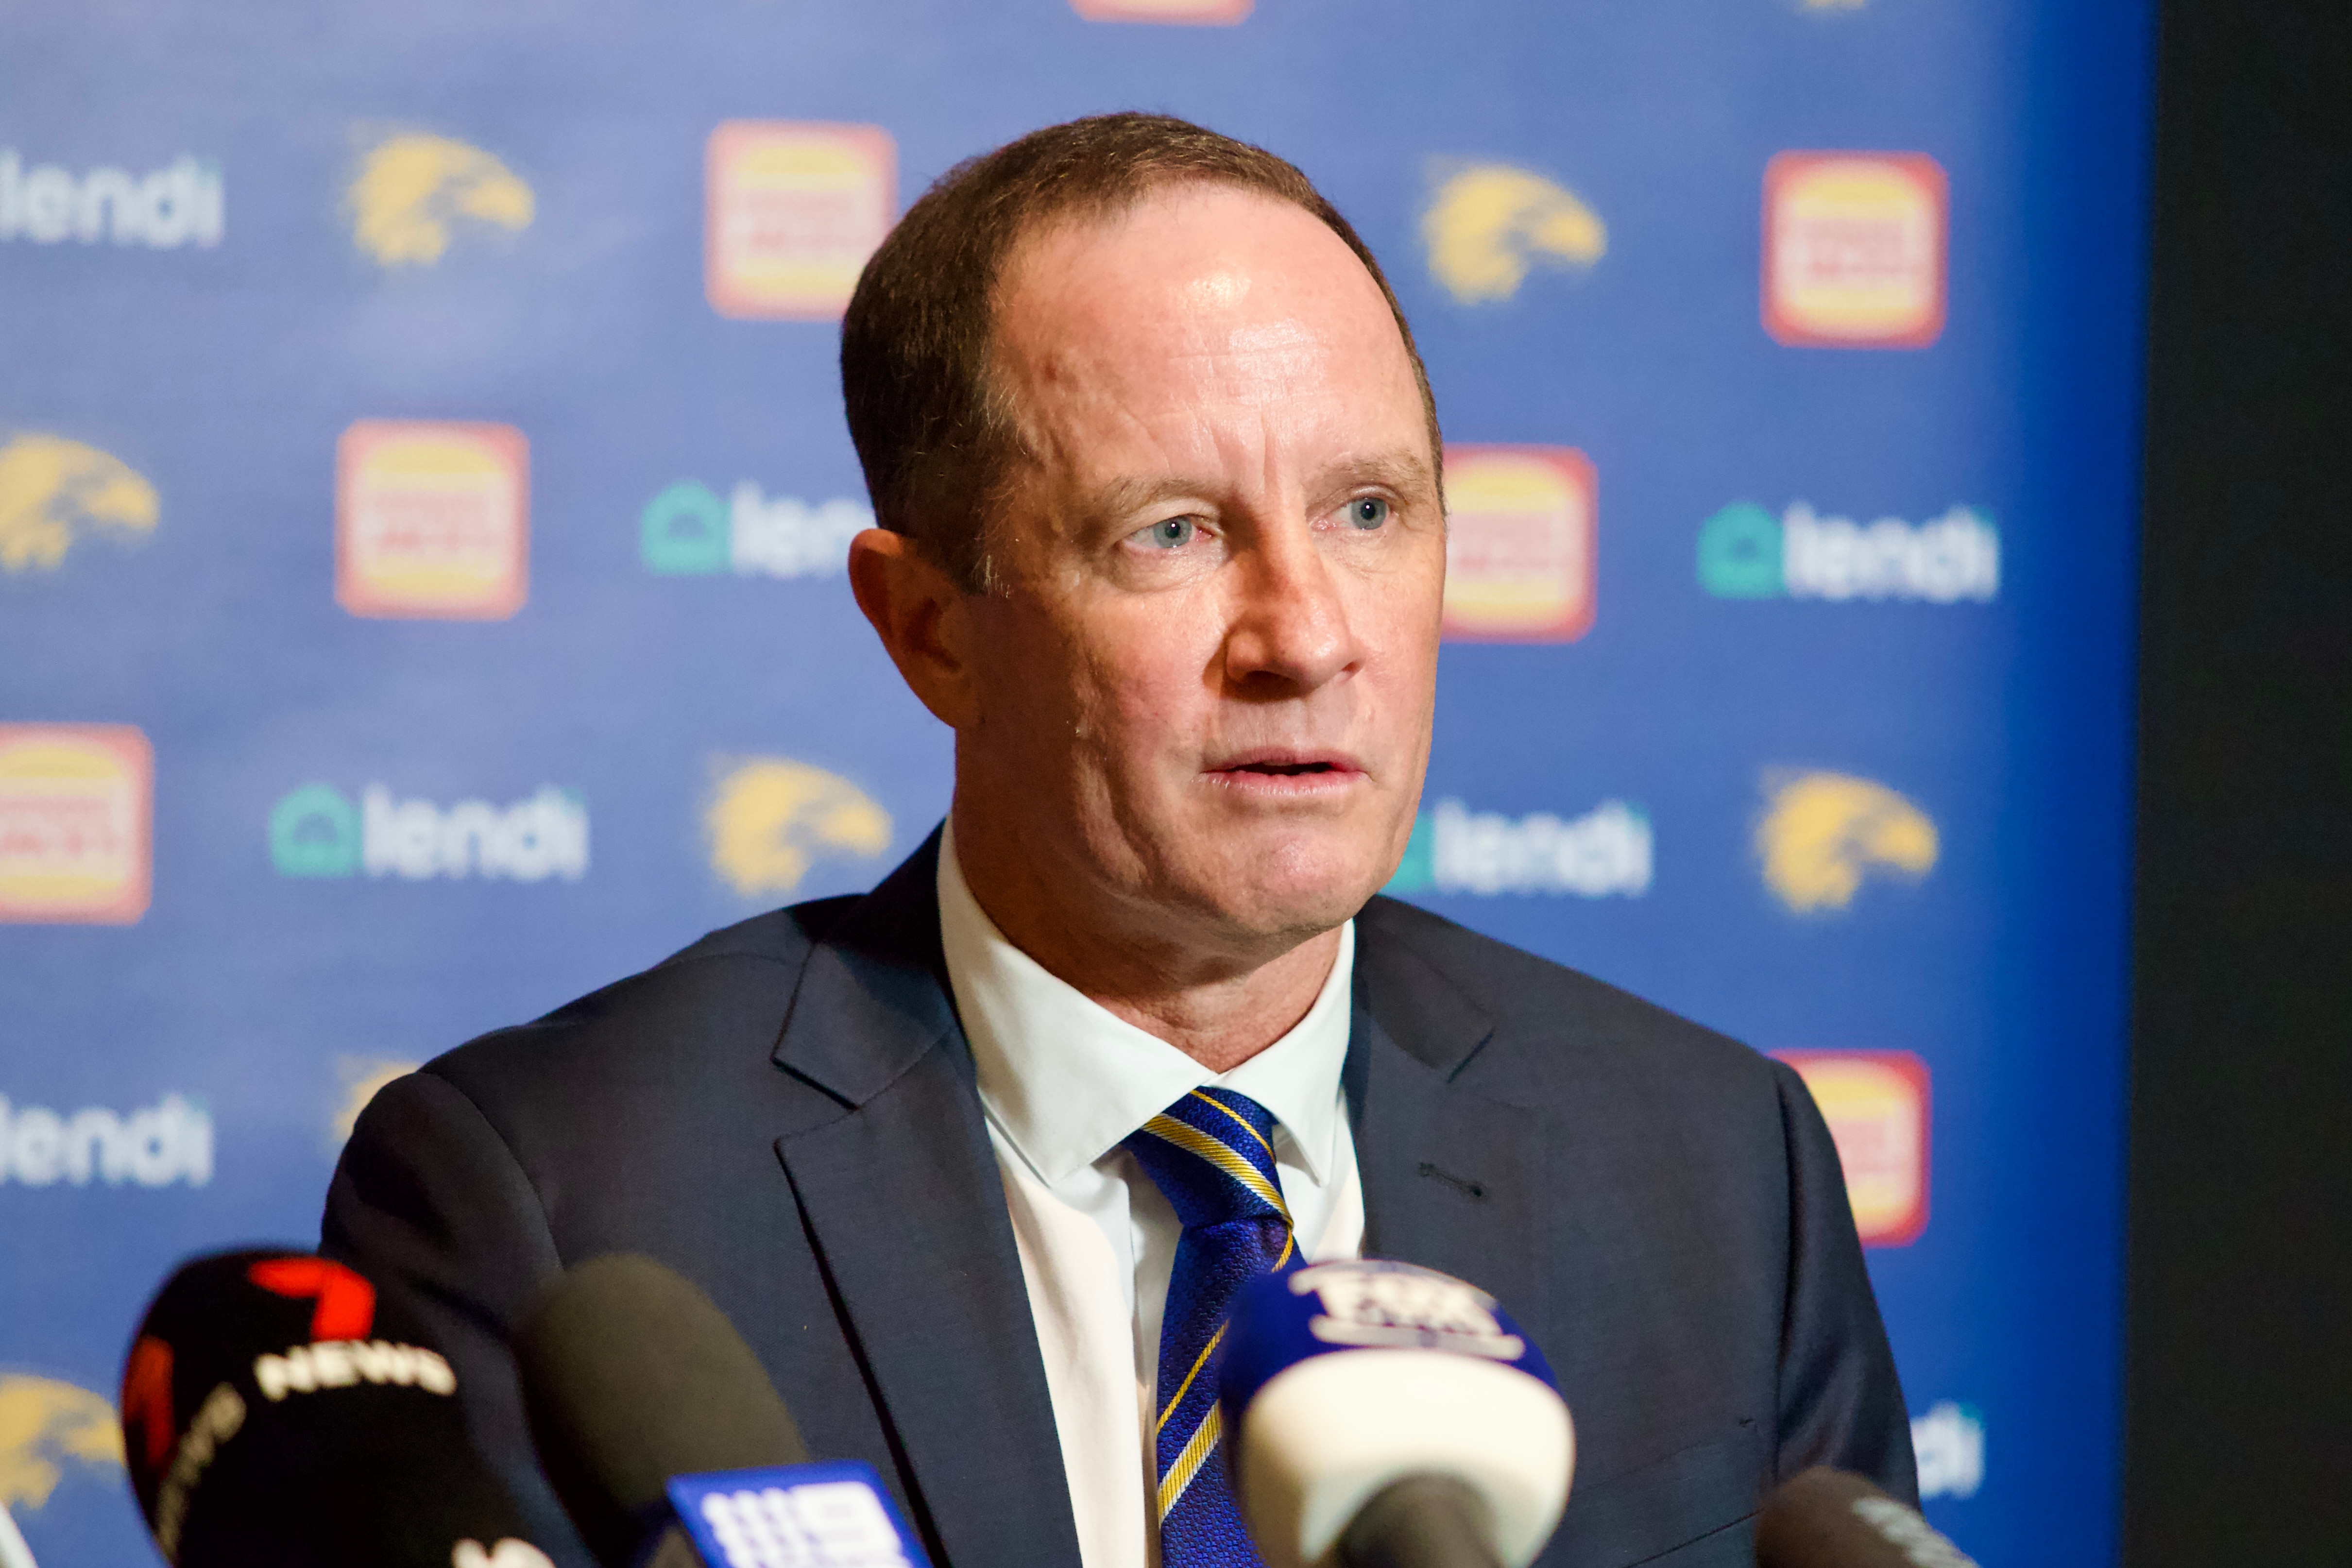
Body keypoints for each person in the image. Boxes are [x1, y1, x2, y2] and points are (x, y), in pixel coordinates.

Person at [326, 112, 1913, 1568]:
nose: (1307, 635)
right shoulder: (555, 1197)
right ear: (930, 627)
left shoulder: (1715, 1168)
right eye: (1173, 532)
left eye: (1368, 510)